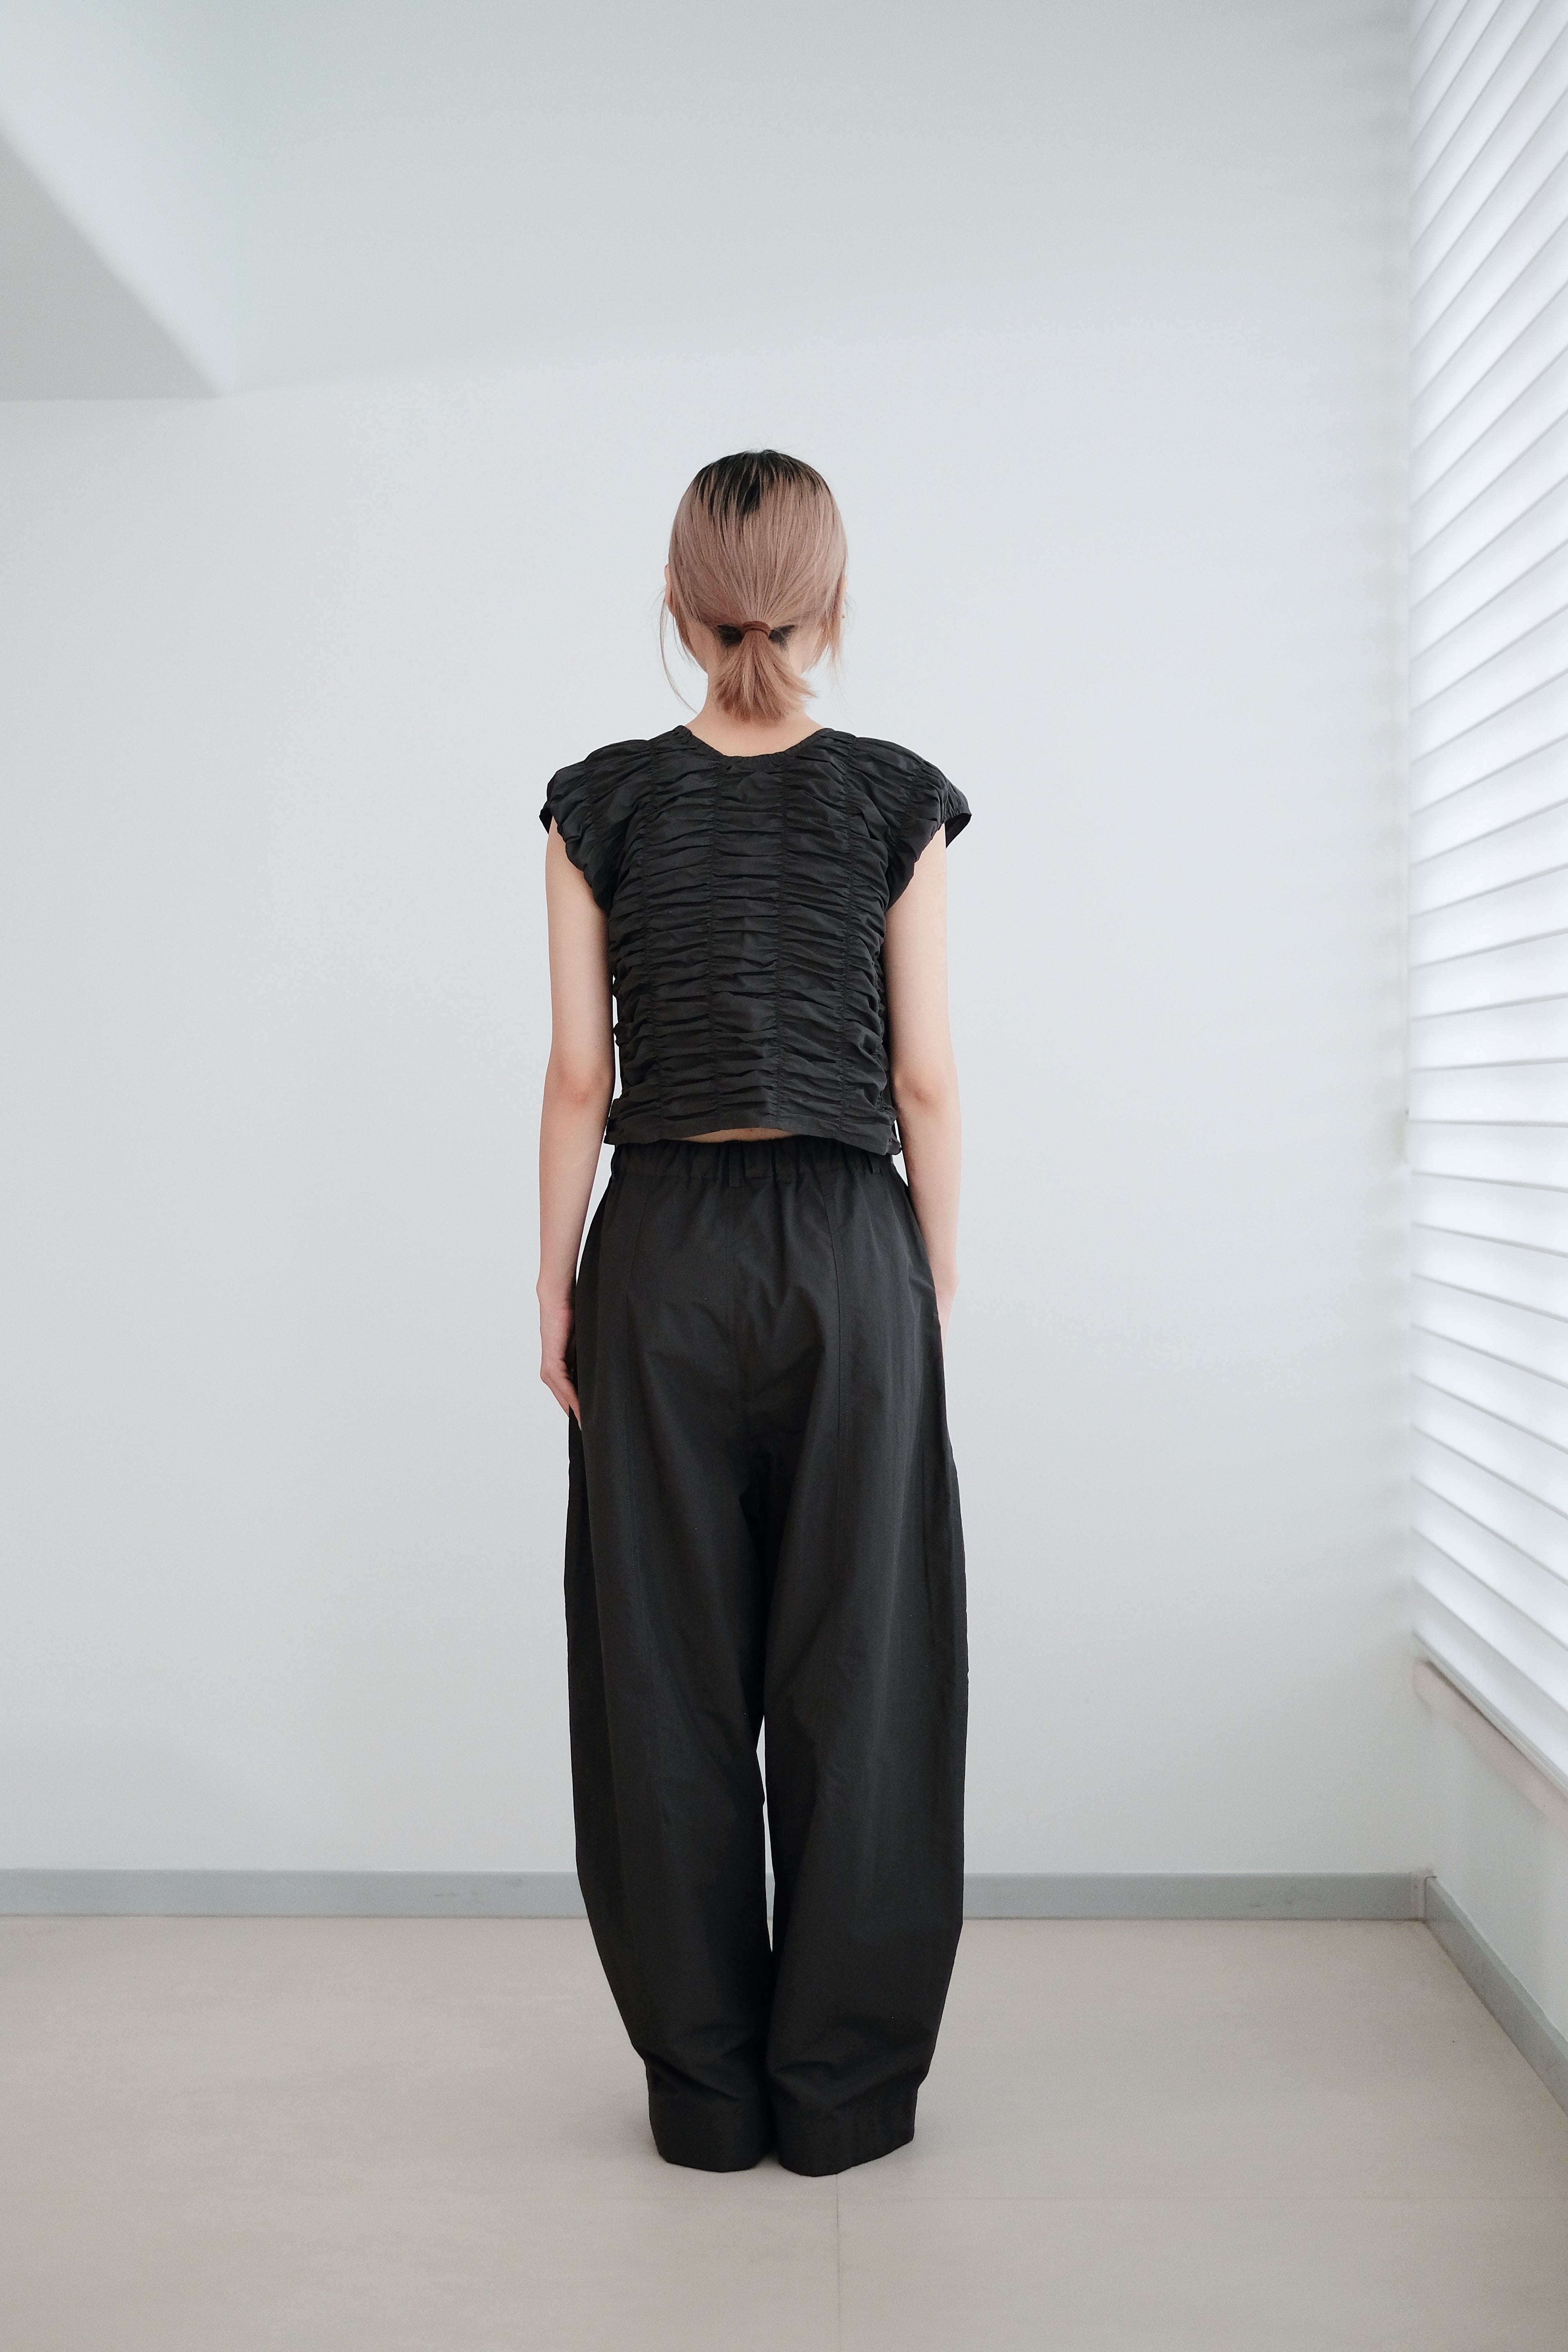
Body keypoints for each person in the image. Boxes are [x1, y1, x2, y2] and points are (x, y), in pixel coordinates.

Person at [536, 449, 969, 2178]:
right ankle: (841, 2095)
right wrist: (928, 1281)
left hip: (659, 1246)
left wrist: (553, 1281)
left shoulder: (600, 803)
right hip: (849, 1242)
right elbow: (924, 1079)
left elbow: (581, 1077)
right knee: (863, 1668)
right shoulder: (894, 799)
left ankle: (706, 2097)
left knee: (663, 1672)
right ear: (829, 601)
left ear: (677, 598)